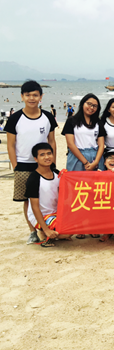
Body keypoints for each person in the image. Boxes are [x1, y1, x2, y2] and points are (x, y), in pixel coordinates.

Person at [6, 80, 57, 245]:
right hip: (23, 164)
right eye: (28, 95)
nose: (31, 98)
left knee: (45, 197)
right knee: (27, 199)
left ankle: (46, 227)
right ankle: (32, 231)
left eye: (35, 95)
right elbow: (11, 144)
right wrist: (16, 166)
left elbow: (52, 141)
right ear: (22, 96)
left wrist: (53, 162)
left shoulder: (47, 117)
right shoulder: (15, 118)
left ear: (41, 97)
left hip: (44, 163)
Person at [62, 94, 106, 239]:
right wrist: (85, 163)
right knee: (77, 193)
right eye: (89, 104)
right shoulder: (72, 121)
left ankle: (92, 226)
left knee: (94, 193)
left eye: (95, 106)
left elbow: (101, 144)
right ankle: (80, 226)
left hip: (95, 157)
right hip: (76, 157)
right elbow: (70, 144)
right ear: (83, 103)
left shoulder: (98, 123)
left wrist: (95, 162)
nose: (91, 108)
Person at [24, 143, 72, 247]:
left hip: (56, 213)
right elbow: (34, 207)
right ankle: (43, 232)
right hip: (41, 215)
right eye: (42, 155)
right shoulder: (34, 179)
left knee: (75, 226)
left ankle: (53, 231)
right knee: (66, 233)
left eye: (49, 153)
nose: (47, 157)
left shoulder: (57, 173)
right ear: (36, 159)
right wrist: (46, 229)